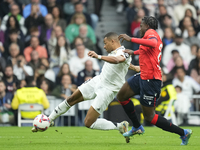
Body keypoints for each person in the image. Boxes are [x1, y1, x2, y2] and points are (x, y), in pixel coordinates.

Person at [32, 32, 133, 139]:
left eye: (105, 43)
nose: (104, 46)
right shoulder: (115, 52)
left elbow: (118, 60)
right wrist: (136, 68)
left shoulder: (123, 52)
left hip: (108, 90)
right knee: (71, 99)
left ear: (113, 41)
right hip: (98, 80)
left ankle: (120, 126)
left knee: (88, 122)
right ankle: (48, 120)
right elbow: (125, 65)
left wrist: (98, 56)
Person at [117, 16, 192, 145]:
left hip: (151, 80)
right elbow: (146, 49)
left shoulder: (151, 33)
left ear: (146, 25)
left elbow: (153, 43)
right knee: (122, 95)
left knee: (150, 117)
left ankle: (183, 133)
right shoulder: (150, 35)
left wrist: (131, 39)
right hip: (143, 76)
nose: (140, 28)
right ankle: (137, 127)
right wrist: (132, 52)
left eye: (141, 26)